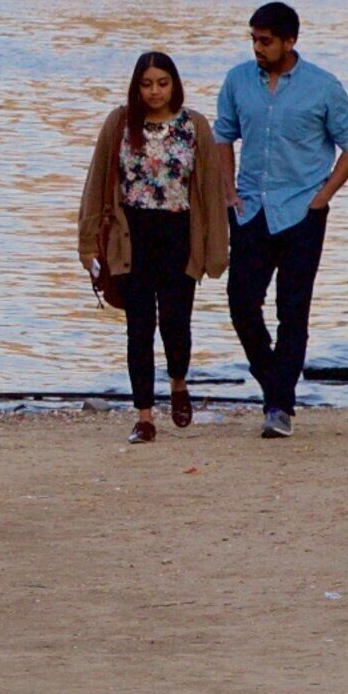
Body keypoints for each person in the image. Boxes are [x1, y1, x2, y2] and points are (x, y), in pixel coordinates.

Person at [214, 3, 348, 439]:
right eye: (253, 40)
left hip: (302, 211)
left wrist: (324, 196)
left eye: (266, 41)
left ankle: (278, 406)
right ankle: (276, 385)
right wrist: (228, 192)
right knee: (242, 304)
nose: (257, 48)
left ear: (289, 41)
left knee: (293, 311)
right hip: (250, 209)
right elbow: (224, 134)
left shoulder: (322, 87)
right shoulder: (238, 80)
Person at [73, 51, 230, 442]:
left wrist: (216, 248)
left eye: (162, 83)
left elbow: (211, 191)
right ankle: (144, 416)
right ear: (136, 86)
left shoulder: (194, 125)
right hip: (131, 238)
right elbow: (96, 185)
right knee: (138, 328)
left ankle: (178, 382)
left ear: (174, 84)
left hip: (180, 235)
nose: (155, 91)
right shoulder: (120, 123)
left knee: (176, 324)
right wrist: (88, 244)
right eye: (147, 84)